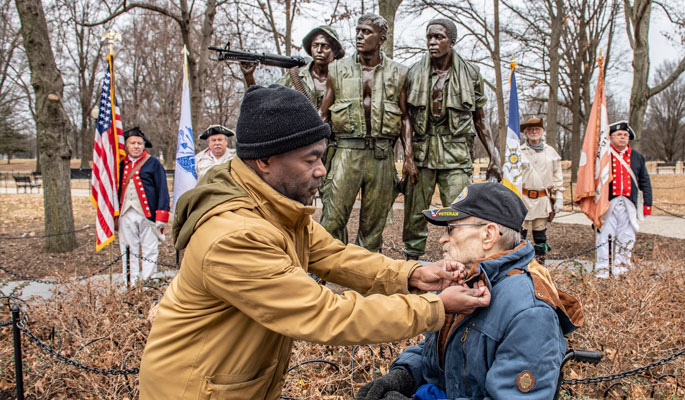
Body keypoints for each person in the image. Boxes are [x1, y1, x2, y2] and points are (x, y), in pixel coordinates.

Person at [138, 85, 492, 400]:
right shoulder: (234, 236)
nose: (322, 170)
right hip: (193, 389)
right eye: (311, 159)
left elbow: (335, 256)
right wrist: (434, 307)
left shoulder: (272, 206)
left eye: (322, 156)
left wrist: (414, 274)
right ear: (265, 160)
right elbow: (325, 314)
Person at [357, 182, 584, 400]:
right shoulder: (466, 280)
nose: (443, 239)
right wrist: (403, 375)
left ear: (488, 235)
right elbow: (434, 351)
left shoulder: (530, 313)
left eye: (452, 228)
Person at [402, 19, 503, 260]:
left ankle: (461, 262)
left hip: (456, 154)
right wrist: (407, 156)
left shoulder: (470, 73)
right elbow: (404, 117)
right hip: (422, 153)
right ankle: (411, 263)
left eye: (439, 37)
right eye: (429, 37)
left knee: (461, 213)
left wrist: (494, 155)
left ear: (452, 41)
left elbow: (480, 118)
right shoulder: (413, 72)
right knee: (415, 212)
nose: (432, 42)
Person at [317, 13, 411, 252]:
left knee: (374, 223)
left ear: (381, 38)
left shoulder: (399, 72)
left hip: (381, 155)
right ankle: (320, 270)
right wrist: (314, 155)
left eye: (366, 32)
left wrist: (409, 157)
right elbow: (323, 116)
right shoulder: (337, 69)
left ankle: (366, 277)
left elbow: (405, 118)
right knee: (332, 216)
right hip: (347, 152)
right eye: (358, 30)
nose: (359, 35)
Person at [595, 120, 652, 278]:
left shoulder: (637, 157)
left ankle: (622, 268)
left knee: (627, 236)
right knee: (605, 235)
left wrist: (648, 204)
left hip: (629, 203)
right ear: (611, 138)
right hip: (608, 203)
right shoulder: (604, 156)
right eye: (618, 134)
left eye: (625, 135)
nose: (622, 137)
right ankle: (602, 270)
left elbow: (644, 181)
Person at [240, 25, 345, 109]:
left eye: (325, 46)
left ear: (335, 51)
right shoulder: (295, 76)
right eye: (315, 45)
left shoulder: (345, 78)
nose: (319, 50)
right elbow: (264, 103)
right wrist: (249, 77)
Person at [117, 127, 170, 283]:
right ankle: (131, 282)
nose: (136, 146)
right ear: (126, 146)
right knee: (128, 249)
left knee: (149, 250)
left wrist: (161, 214)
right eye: (132, 143)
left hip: (148, 214)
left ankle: (149, 283)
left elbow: (162, 189)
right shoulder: (120, 164)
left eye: (139, 143)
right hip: (126, 212)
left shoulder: (153, 163)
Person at [518, 117, 564, 262]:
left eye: (537, 129)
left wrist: (559, 196)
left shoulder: (550, 152)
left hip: (542, 198)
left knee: (540, 234)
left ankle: (540, 263)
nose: (533, 132)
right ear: (525, 133)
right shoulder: (519, 151)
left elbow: (557, 174)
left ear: (542, 131)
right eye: (530, 129)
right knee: (520, 234)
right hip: (523, 198)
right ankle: (518, 264)